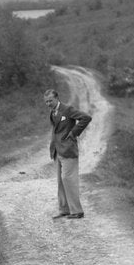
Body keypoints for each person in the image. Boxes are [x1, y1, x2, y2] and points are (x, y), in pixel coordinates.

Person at [44, 88, 92, 219]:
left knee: (68, 179)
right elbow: (55, 130)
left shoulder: (67, 109)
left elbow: (86, 118)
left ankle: (77, 211)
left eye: (50, 101)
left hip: (68, 150)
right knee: (60, 181)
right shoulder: (52, 112)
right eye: (46, 102)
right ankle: (64, 210)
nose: (48, 104)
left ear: (57, 98)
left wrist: (73, 133)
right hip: (58, 151)